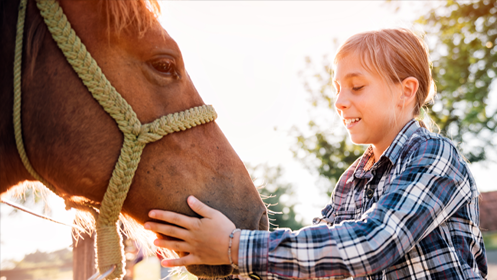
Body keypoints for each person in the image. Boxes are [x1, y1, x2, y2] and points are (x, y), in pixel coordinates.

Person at [143, 28, 488, 279]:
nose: (339, 102)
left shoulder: (434, 157)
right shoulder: (354, 179)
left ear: (405, 91)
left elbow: (372, 244)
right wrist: (211, 249)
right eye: (337, 89)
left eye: (357, 86)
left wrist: (233, 245)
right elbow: (312, 263)